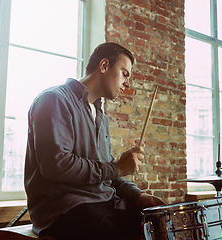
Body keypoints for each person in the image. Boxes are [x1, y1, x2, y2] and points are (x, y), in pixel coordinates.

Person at [24, 42, 165, 240]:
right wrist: (117, 167)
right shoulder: (53, 99)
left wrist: (137, 195)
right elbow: (56, 166)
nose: (128, 84)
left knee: (155, 226)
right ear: (104, 66)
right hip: (66, 209)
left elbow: (107, 172)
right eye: (125, 73)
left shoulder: (101, 116)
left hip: (104, 204)